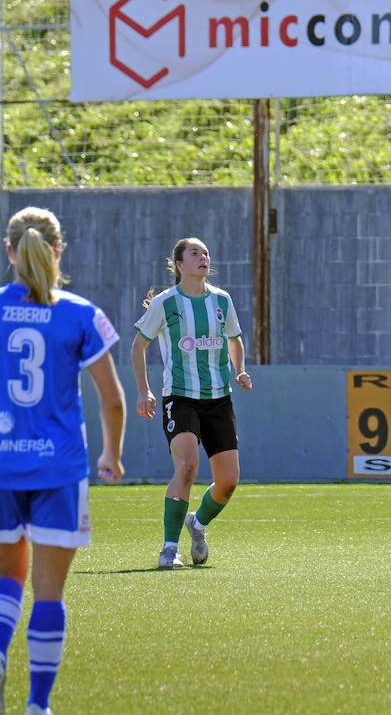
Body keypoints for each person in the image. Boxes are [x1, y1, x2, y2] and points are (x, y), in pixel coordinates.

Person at [0, 206, 127, 715]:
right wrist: (111, 454)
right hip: (59, 469)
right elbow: (111, 398)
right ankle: (38, 706)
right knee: (48, 593)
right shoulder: (80, 313)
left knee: (8, 578)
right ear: (58, 250)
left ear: (9, 251)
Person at [131, 237, 252, 569]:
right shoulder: (166, 303)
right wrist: (144, 390)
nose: (203, 257)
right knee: (186, 466)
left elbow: (235, 338)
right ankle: (169, 549)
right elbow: (137, 347)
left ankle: (197, 525)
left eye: (206, 253)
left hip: (218, 400)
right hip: (180, 397)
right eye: (195, 253)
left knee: (228, 482)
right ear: (179, 264)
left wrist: (239, 370)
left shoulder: (222, 301)